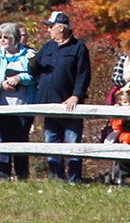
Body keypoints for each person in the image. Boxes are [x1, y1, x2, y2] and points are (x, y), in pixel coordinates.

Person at [32, 11, 91, 183]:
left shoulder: (78, 47)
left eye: (51, 26)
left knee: (72, 144)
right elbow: (36, 71)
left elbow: (84, 75)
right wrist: (33, 64)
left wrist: (76, 96)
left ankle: (74, 180)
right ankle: (56, 178)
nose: (48, 30)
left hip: (70, 105)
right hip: (49, 104)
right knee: (52, 142)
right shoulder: (47, 47)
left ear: (61, 28)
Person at [0, 22, 37, 181]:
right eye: (0, 37)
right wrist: (1, 83)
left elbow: (35, 76)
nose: (3, 40)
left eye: (6, 37)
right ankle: (3, 175)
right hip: (2, 107)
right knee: (3, 140)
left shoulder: (29, 54)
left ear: (15, 38)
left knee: (21, 141)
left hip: (24, 106)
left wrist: (20, 78)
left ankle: (22, 176)